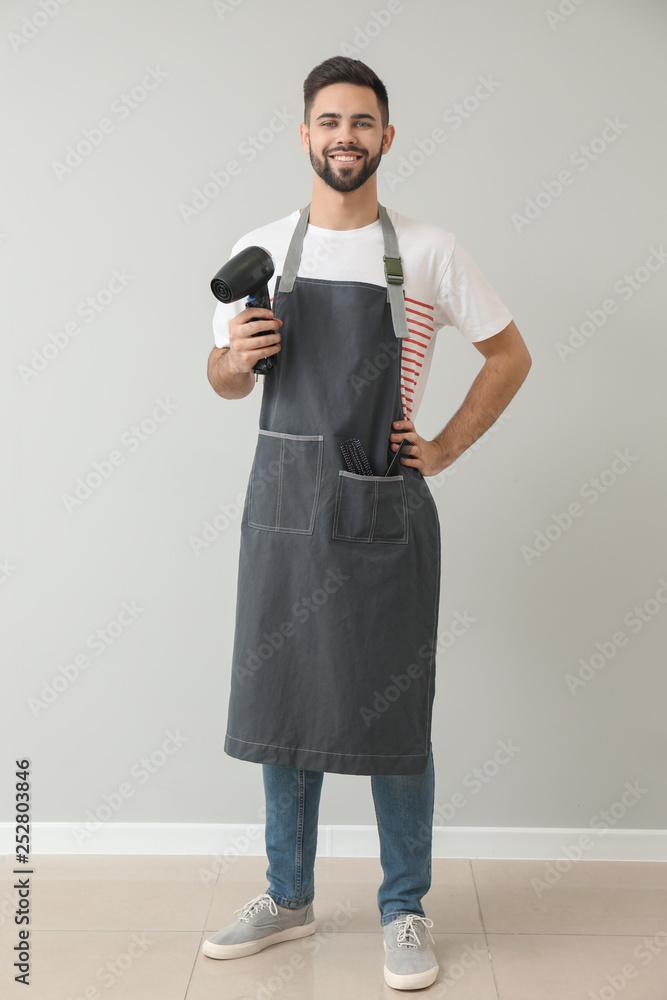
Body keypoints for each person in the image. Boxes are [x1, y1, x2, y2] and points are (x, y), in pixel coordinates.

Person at [202, 56, 531, 991]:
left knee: (396, 718)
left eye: (362, 121)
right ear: (304, 135)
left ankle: (404, 909)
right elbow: (221, 383)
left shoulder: (425, 251)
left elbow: (508, 355)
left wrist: (449, 445)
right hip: (280, 510)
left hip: (382, 508)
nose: (344, 134)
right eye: (328, 120)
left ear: (386, 137)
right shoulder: (262, 248)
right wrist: (235, 355)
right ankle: (287, 896)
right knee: (282, 708)